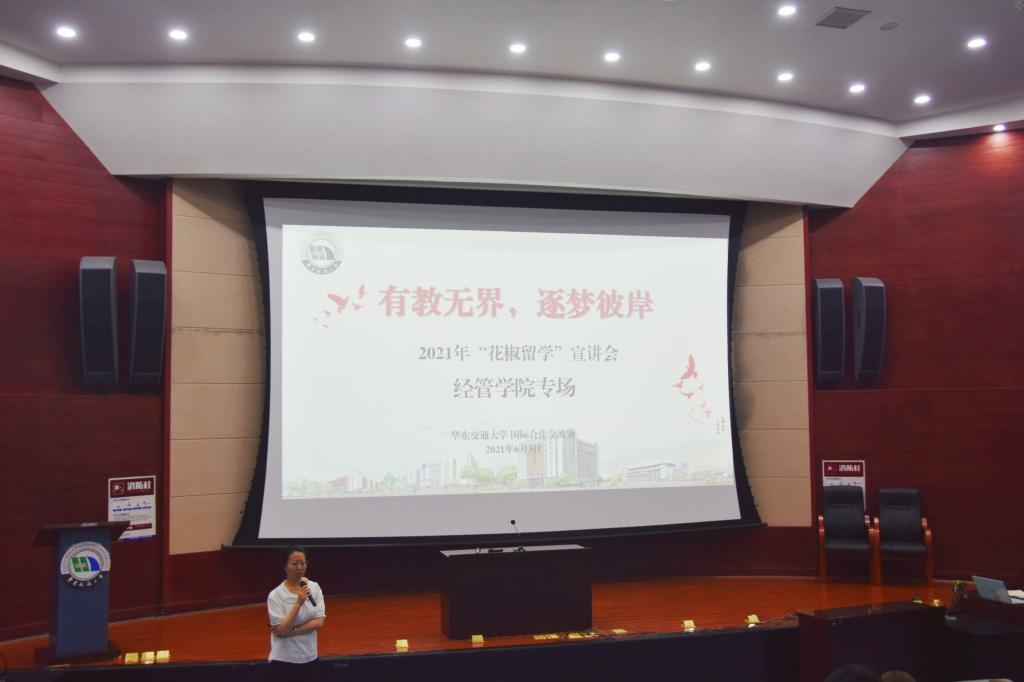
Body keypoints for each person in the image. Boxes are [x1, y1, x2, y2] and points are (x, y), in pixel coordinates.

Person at [267, 546, 326, 682]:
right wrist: (298, 603)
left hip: (309, 656)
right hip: (284, 660)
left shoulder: (314, 588)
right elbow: (281, 630)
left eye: (303, 563)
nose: (299, 567)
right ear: (285, 566)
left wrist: (291, 631)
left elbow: (319, 622)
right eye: (294, 564)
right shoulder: (275, 596)